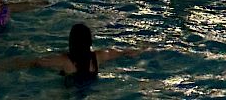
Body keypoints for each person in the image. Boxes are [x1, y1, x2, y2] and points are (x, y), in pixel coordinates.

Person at [8, 23, 142, 80]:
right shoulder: (99, 56)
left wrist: (10, 65)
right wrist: (143, 49)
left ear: (71, 41)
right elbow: (123, 52)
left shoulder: (64, 61)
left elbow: (37, 62)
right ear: (90, 41)